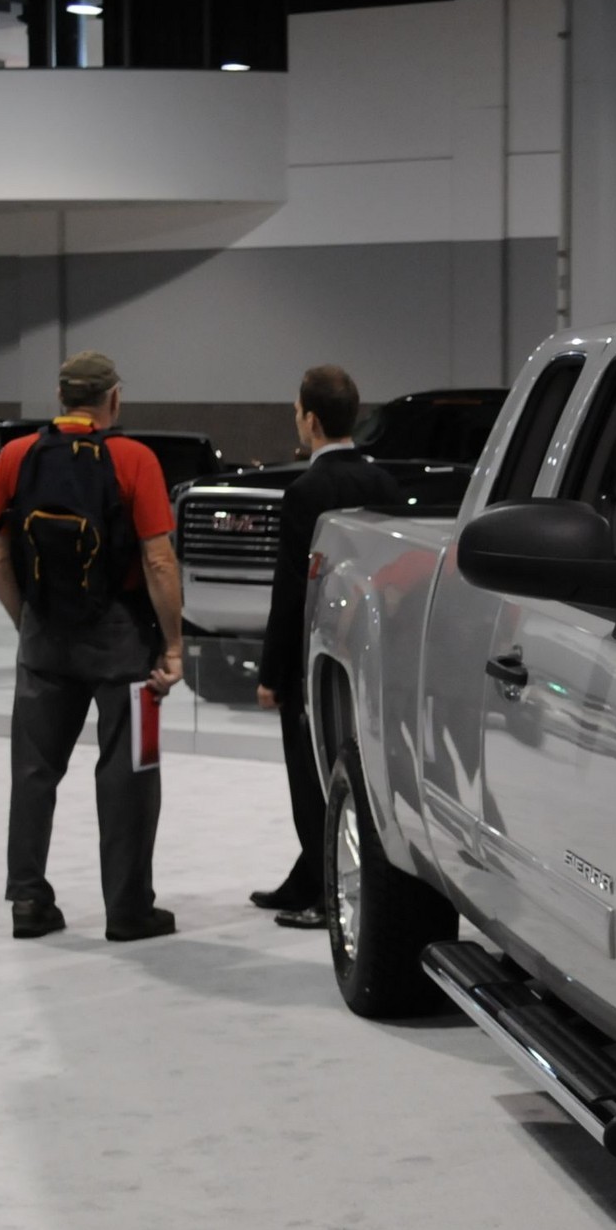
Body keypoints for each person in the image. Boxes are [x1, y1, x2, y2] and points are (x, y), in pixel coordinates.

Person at [0, 351, 186, 942]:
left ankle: (28, 902)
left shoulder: (17, 457)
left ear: (59, 397)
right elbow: (157, 559)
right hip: (126, 642)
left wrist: (28, 622)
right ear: (114, 399)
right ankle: (128, 908)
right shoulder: (135, 459)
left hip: (45, 640)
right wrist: (172, 646)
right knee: (133, 770)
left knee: (33, 771)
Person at [252, 365, 401, 929]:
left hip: (312, 661)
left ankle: (324, 892)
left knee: (307, 775)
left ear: (311, 419)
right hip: (365, 660)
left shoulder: (305, 492)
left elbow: (290, 592)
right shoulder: (383, 484)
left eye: (296, 411)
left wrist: (271, 673)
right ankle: (307, 875)